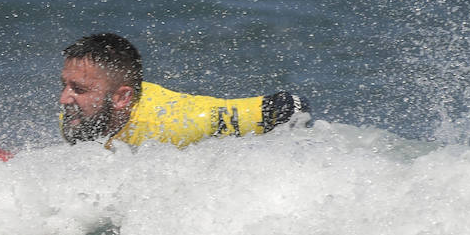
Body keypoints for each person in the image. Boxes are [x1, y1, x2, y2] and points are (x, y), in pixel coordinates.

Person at [58, 32, 308, 147]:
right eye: (65, 85)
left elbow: (289, 105)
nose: (64, 98)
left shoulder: (183, 120)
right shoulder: (78, 119)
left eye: (79, 89)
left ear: (122, 97)